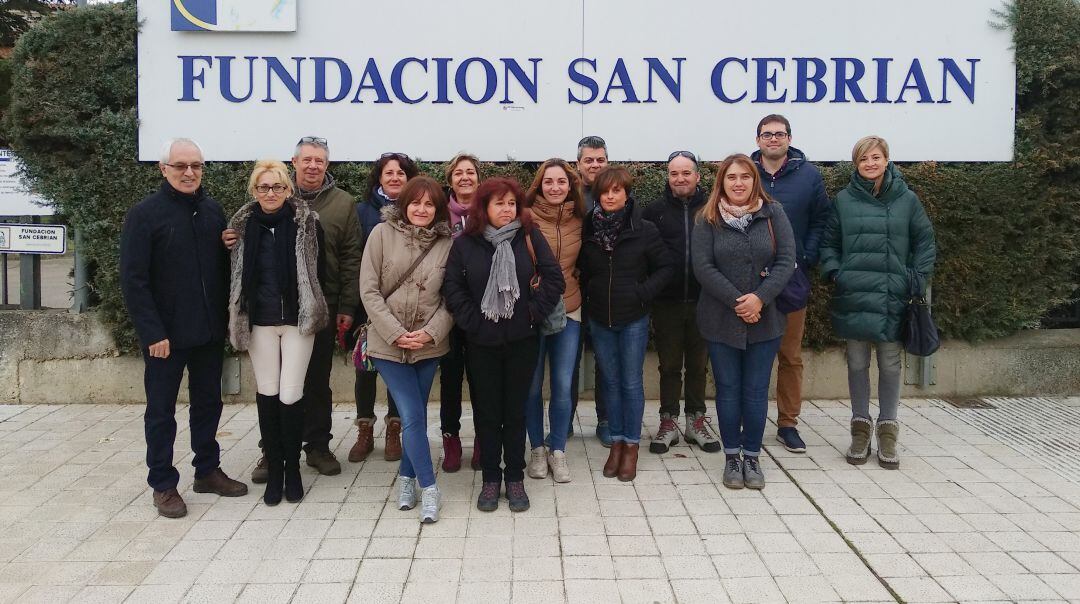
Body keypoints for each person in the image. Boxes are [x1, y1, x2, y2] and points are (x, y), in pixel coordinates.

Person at [120, 138, 247, 518]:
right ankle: (162, 483)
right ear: (164, 170)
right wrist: (152, 332)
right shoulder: (144, 215)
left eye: (196, 165)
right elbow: (133, 279)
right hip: (165, 337)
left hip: (207, 332)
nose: (189, 172)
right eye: (180, 166)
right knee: (161, 411)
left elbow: (218, 272)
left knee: (209, 403)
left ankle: (207, 470)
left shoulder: (211, 211)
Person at [442, 178, 564, 512]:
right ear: (484, 207)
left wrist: (532, 314)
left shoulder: (528, 236)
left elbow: (554, 278)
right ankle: (490, 479)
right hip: (481, 342)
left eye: (511, 203)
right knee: (487, 412)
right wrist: (474, 321)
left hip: (522, 340)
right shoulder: (466, 243)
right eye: (499, 203)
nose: (506, 209)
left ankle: (514, 477)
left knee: (515, 412)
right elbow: (453, 288)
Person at [819, 136, 936, 470]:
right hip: (854, 293)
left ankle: (887, 430)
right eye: (862, 159)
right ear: (856, 164)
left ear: (887, 160)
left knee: (890, 364)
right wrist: (836, 274)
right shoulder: (843, 199)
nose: (869, 164)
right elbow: (829, 243)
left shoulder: (907, 200)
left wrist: (914, 278)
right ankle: (859, 429)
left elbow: (925, 242)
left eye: (875, 157)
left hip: (891, 295)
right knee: (856, 363)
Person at [226, 160, 328, 505]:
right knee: (267, 393)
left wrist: (315, 307)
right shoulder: (240, 229)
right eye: (263, 187)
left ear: (289, 189)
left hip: (297, 321)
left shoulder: (308, 224)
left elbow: (320, 272)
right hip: (258, 322)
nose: (271, 193)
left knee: (291, 394)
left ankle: (293, 469)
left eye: (278, 187)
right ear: (254, 191)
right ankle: (275, 471)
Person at [692, 154, 795, 491]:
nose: (738, 183)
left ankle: (752, 456)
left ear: (755, 180)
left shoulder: (772, 213)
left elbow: (786, 261)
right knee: (728, 390)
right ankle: (731, 457)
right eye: (731, 177)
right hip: (721, 319)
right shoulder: (706, 219)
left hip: (765, 322)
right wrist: (740, 301)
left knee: (754, 392)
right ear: (721, 182)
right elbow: (703, 267)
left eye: (745, 177)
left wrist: (759, 299)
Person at [359, 176, 454, 523]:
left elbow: (453, 298)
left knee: (413, 417)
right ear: (404, 204)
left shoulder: (448, 243)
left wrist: (429, 333)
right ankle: (430, 490)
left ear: (438, 209)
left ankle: (405, 480)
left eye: (430, 204)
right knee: (413, 416)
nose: (422, 209)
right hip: (388, 345)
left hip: (429, 346)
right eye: (416, 202)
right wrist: (396, 333)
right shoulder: (380, 235)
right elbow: (368, 291)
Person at [579, 166, 674, 482]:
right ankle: (616, 443)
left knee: (631, 382)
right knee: (610, 381)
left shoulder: (643, 228)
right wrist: (591, 296)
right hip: (600, 318)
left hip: (633, 318)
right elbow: (583, 270)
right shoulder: (588, 229)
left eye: (616, 190)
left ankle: (631, 446)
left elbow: (666, 268)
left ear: (626, 193)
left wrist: (642, 293)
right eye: (604, 192)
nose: (609, 196)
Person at [750, 114, 833, 454]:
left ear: (789, 138)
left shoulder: (809, 176)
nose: (773, 139)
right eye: (767, 134)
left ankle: (787, 424)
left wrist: (807, 255)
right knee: (750, 355)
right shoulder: (744, 172)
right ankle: (746, 418)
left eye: (779, 134)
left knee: (790, 355)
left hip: (792, 279)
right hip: (750, 282)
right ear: (758, 140)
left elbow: (822, 219)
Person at [642, 151, 720, 455]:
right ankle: (668, 421)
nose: (680, 178)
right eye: (674, 173)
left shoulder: (713, 208)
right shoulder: (654, 211)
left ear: (698, 176)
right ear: (668, 177)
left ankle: (696, 421)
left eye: (686, 172)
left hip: (705, 301)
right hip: (667, 302)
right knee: (670, 365)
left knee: (699, 365)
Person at [349, 152, 419, 464]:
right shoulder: (362, 211)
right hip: (370, 303)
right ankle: (364, 428)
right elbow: (354, 257)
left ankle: (394, 428)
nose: (394, 178)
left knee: (399, 367)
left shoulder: (417, 211)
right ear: (379, 178)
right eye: (388, 173)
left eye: (400, 173)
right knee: (365, 370)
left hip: (405, 307)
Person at [523, 158, 586, 483]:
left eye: (561, 181)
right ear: (539, 185)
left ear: (570, 185)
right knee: (532, 386)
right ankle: (536, 449)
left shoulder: (581, 217)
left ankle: (557, 449)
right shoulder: (525, 218)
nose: (555, 187)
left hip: (570, 308)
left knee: (562, 384)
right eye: (549, 182)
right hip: (533, 312)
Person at [439, 153, 482, 473]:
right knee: (451, 378)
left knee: (483, 378)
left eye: (470, 172)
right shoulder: (439, 213)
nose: (464, 177)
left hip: (484, 308)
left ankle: (483, 439)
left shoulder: (490, 209)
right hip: (446, 308)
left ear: (478, 177)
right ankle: (451, 440)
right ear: (450, 179)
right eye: (458, 173)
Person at [572, 135, 611, 446]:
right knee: (568, 359)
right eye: (589, 160)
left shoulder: (618, 194)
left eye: (600, 160)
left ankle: (606, 419)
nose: (595, 165)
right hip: (571, 289)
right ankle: (564, 419)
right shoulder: (568, 196)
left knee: (605, 358)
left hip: (606, 292)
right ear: (578, 165)